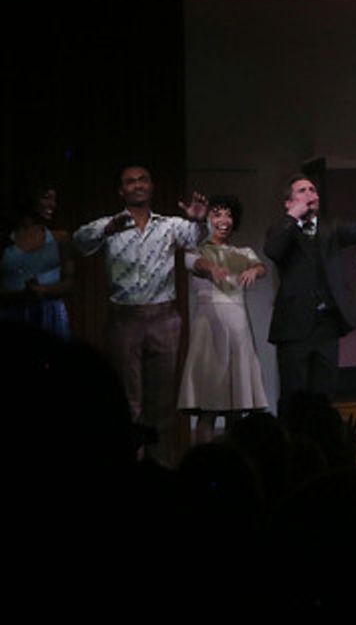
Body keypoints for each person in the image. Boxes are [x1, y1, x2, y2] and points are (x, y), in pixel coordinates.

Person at [74, 165, 208, 467]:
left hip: (164, 318)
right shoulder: (111, 224)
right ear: (121, 191)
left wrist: (199, 220)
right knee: (128, 401)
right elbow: (80, 242)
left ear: (151, 187)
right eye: (130, 181)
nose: (138, 185)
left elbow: (196, 237)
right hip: (125, 320)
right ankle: (129, 469)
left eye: (143, 179)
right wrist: (106, 230)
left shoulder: (169, 225)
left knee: (161, 404)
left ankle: (161, 468)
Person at [265, 173, 356, 406]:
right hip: (294, 325)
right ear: (288, 202)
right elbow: (273, 250)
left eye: (313, 190)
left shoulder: (329, 228)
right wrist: (293, 217)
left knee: (324, 392)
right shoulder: (280, 229)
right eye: (302, 191)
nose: (310, 194)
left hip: (326, 324)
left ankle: (324, 439)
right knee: (294, 393)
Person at [178, 195, 270, 444]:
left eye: (228, 215)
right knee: (208, 406)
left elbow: (262, 268)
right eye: (217, 214)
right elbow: (195, 262)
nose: (224, 220)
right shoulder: (197, 249)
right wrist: (211, 269)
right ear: (207, 219)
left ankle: (237, 461)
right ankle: (203, 462)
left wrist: (253, 269)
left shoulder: (243, 252)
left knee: (236, 406)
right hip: (210, 326)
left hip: (238, 326)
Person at [2, 184, 73, 339]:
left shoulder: (60, 238)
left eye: (54, 199)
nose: (53, 205)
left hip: (50, 316)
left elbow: (69, 282)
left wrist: (43, 290)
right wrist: (21, 295)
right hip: (11, 315)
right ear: (28, 198)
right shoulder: (5, 240)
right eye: (46, 198)